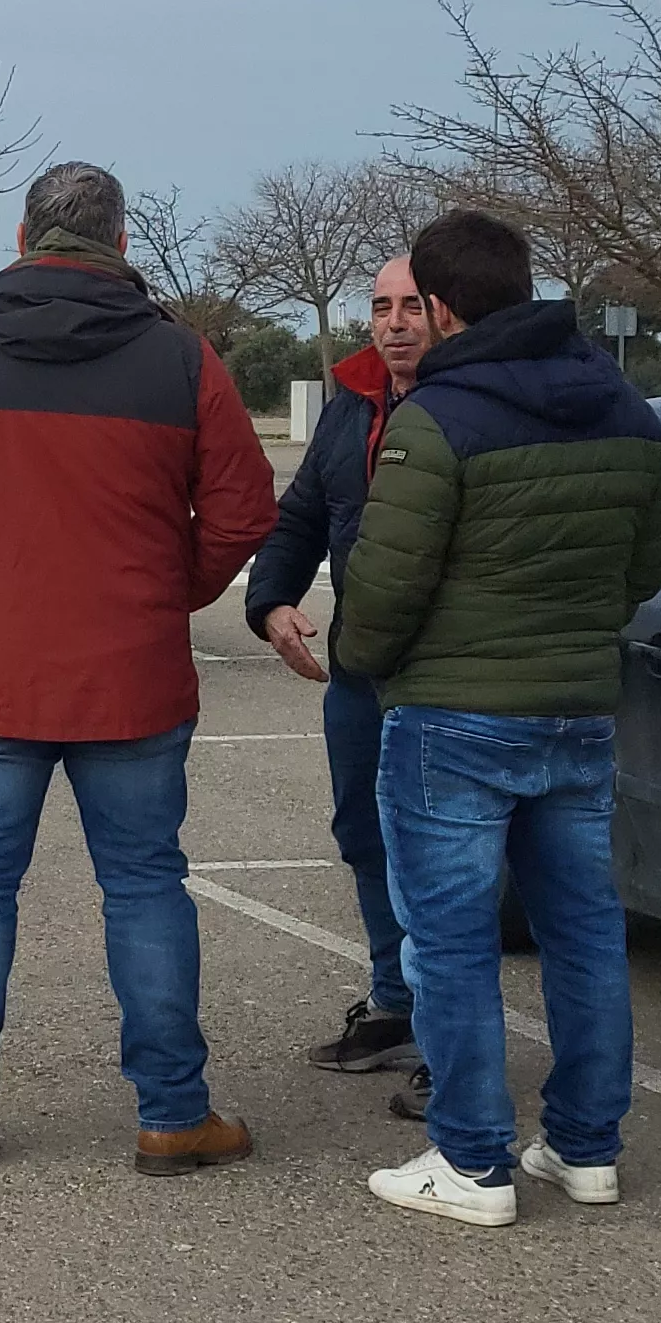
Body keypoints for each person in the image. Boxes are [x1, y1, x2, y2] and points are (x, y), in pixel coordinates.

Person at [0, 162, 277, 1175]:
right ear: (122, 242)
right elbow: (241, 506)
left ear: (20, 235)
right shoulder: (183, 359)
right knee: (144, 885)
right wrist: (164, 592)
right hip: (129, 674)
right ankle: (173, 1113)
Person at [334, 209, 661, 1227]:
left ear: (438, 308)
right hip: (576, 707)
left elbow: (382, 590)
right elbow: (646, 561)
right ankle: (583, 1144)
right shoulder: (626, 407)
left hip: (452, 715)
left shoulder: (437, 420)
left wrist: (366, 664)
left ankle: (471, 1158)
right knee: (582, 930)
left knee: (447, 940)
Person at [241, 254, 436, 1094]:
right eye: (382, 307)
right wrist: (272, 600)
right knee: (364, 836)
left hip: (447, 675)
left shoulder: (472, 405)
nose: (393, 324)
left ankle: (450, 1038)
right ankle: (393, 1004)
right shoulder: (352, 402)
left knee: (444, 856)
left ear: (448, 314)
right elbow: (303, 517)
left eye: (413, 308)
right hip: (360, 671)